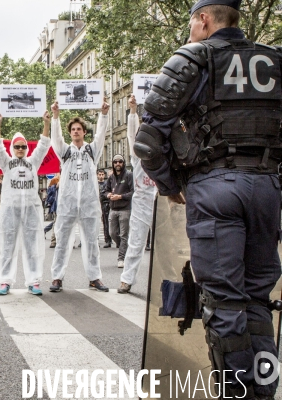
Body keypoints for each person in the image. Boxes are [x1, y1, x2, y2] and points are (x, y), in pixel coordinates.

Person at [135, 0, 282, 397]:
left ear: (203, 19)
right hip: (267, 188)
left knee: (224, 303)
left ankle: (236, 391)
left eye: (189, 23)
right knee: (257, 300)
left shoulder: (193, 59)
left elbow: (148, 142)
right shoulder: (274, 60)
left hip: (214, 188)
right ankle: (261, 389)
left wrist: (171, 187)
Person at [49, 100, 110, 293]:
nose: (76, 131)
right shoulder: (65, 152)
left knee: (92, 242)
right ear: (70, 133)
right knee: (62, 241)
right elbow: (55, 138)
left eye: (79, 129)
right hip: (67, 203)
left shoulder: (92, 151)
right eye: (73, 129)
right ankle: (57, 277)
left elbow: (100, 134)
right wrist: (56, 116)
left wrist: (104, 114)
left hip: (89, 203)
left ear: (84, 132)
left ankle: (95, 277)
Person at [0, 111, 51, 295]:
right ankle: (5, 281)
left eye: (23, 146)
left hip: (31, 210)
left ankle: (33, 281)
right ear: (12, 148)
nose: (20, 149)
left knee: (32, 247)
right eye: (17, 146)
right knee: (8, 246)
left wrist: (47, 123)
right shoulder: (6, 163)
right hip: (10, 210)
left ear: (26, 148)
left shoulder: (33, 162)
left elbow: (43, 145)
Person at [118, 95, 157, 294]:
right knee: (135, 242)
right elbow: (131, 135)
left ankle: (169, 281)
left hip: (163, 202)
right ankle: (127, 280)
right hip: (142, 202)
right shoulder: (137, 156)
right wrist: (133, 112)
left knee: (166, 245)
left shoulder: (164, 152)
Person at [104, 154, 134, 268]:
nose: (118, 164)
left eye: (120, 162)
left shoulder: (129, 175)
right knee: (112, 233)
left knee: (124, 235)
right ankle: (123, 246)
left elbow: (133, 192)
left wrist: (120, 197)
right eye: (115, 162)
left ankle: (121, 258)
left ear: (123, 163)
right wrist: (109, 195)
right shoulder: (111, 177)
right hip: (113, 208)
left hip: (125, 209)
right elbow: (105, 191)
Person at [97, 169, 112, 247]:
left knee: (106, 223)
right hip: (96, 204)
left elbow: (107, 193)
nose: (101, 176)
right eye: (99, 174)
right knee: (96, 223)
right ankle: (96, 240)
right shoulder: (95, 183)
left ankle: (108, 240)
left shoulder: (106, 184)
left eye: (102, 174)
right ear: (97, 175)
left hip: (105, 204)